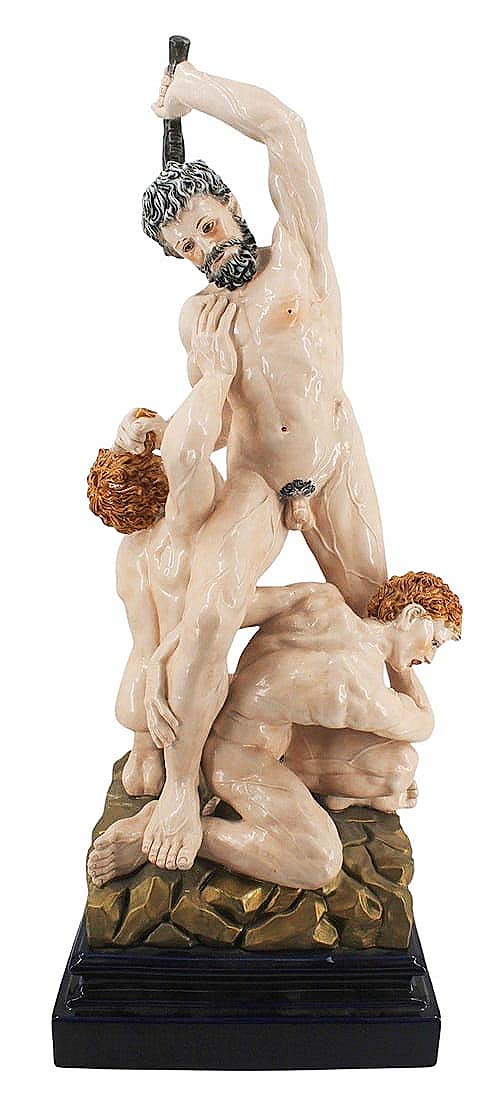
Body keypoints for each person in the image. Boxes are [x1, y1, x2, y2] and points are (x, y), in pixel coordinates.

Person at [137, 58, 393, 870]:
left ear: (233, 206)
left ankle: (343, 754)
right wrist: (185, 404)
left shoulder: (299, 255)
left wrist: (193, 89)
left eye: (207, 228)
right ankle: (182, 784)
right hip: (257, 479)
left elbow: (285, 128)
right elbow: (211, 433)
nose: (204, 251)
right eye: (186, 248)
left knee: (375, 606)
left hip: (332, 456)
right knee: (211, 606)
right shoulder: (200, 316)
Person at [88, 571, 461, 890]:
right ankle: (177, 832)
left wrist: (161, 659)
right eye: (434, 641)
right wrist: (402, 665)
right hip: (236, 755)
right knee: (319, 861)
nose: (429, 657)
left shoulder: (321, 600)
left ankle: (338, 798)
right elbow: (423, 722)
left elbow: (218, 611)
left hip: (256, 726)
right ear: (412, 614)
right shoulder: (364, 692)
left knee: (399, 765)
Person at [107, 295, 237, 796]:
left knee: (140, 779)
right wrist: (215, 376)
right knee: (201, 771)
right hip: (177, 685)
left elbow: (125, 480)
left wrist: (131, 442)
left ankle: (147, 760)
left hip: (135, 688)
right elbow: (191, 456)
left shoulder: (130, 551)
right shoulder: (177, 532)